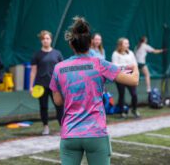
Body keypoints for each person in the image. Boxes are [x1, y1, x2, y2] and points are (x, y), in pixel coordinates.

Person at [50, 17, 139, 165]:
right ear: (91, 44)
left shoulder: (59, 68)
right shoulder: (99, 64)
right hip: (95, 133)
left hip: (70, 133)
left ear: (71, 45)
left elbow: (58, 101)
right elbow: (134, 80)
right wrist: (135, 67)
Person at [30, 30, 64, 135]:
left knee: (59, 106)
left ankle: (63, 128)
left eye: (47, 38)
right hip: (41, 85)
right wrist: (31, 86)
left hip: (55, 86)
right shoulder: (37, 55)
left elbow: (62, 70)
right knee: (43, 107)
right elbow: (33, 71)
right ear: (41, 41)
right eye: (44, 39)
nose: (46, 40)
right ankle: (45, 127)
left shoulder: (57, 53)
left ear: (51, 40)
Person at [112, 38, 139, 118]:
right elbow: (114, 66)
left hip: (130, 76)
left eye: (128, 43)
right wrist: (126, 67)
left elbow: (134, 64)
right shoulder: (115, 54)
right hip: (120, 77)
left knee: (134, 94)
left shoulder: (130, 53)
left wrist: (131, 69)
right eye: (126, 43)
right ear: (121, 45)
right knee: (122, 95)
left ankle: (134, 110)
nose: (128, 45)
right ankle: (122, 112)